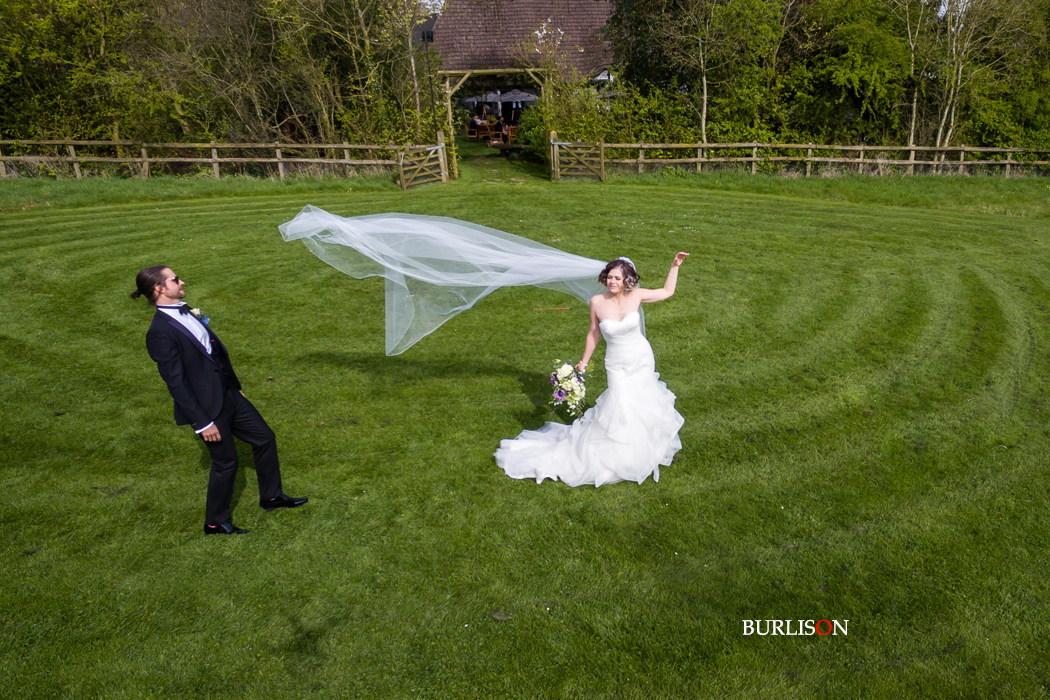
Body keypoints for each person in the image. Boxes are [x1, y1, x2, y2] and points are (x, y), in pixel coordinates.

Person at [132, 265, 307, 534]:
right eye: (175, 279)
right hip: (207, 408)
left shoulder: (187, 312)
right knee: (226, 463)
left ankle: (271, 496)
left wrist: (234, 387)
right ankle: (215, 522)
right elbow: (176, 383)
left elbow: (213, 355)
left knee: (264, 438)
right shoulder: (159, 332)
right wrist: (202, 423)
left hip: (229, 395)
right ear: (159, 288)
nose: (182, 282)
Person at [495, 254, 688, 486]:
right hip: (616, 362)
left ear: (627, 280)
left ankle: (641, 449)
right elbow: (593, 332)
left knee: (641, 399)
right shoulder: (597, 301)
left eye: (617, 278)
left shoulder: (636, 296)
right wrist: (583, 362)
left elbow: (667, 292)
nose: (612, 281)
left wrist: (675, 266)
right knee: (619, 402)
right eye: (609, 277)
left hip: (641, 358)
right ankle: (617, 453)